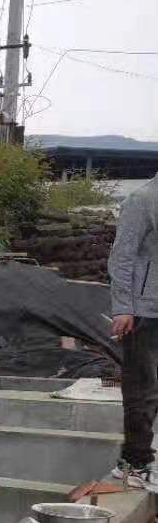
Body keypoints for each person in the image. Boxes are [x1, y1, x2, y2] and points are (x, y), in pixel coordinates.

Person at [107, 172, 158, 490]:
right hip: (141, 311)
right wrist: (123, 306)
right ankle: (134, 463)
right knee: (142, 387)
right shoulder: (142, 200)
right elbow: (122, 256)